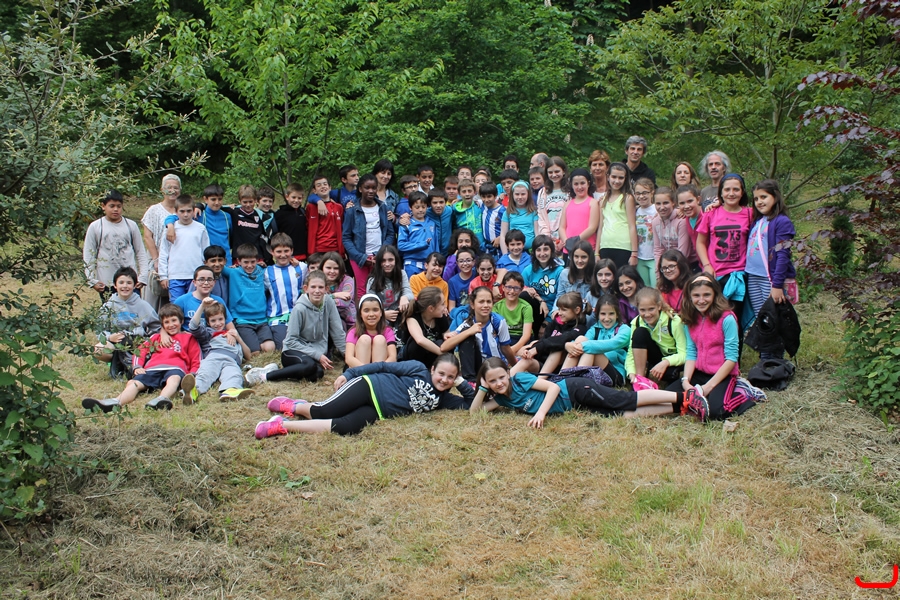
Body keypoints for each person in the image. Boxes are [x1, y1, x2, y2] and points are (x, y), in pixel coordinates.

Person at [255, 354, 474, 439]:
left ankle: (282, 425)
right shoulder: (418, 368)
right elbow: (382, 366)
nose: (444, 380)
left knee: (344, 428)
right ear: (432, 369)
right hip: (369, 386)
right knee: (325, 411)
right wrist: (350, 374)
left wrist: (462, 384)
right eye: (441, 373)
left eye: (450, 377)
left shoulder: (444, 399)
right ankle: (294, 406)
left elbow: (470, 405)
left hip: (377, 411)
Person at [470, 357, 701, 429]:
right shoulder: (502, 399)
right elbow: (475, 412)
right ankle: (678, 408)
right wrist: (482, 388)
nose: (499, 383)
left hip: (575, 390)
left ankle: (684, 397)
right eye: (492, 381)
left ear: (508, 373)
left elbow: (552, 387)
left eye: (501, 377)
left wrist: (541, 413)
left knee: (623, 399)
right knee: (618, 415)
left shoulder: (520, 379)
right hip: (575, 405)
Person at [666, 274, 757, 422]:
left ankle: (743, 393)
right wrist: (685, 381)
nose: (701, 300)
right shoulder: (690, 319)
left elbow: (731, 358)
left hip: (723, 374)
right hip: (700, 372)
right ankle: (704, 397)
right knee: (669, 396)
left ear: (715, 295)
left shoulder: (727, 318)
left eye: (707, 295)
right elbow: (692, 352)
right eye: (696, 295)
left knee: (716, 412)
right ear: (689, 296)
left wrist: (707, 387)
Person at [82, 303, 201, 412]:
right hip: (152, 368)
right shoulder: (156, 337)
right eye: (166, 322)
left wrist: (191, 375)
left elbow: (196, 359)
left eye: (174, 320)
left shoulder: (189, 338)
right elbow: (140, 351)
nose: (171, 325)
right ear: (162, 325)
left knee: (173, 379)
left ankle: (162, 399)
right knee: (134, 383)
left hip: (175, 368)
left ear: (181, 321)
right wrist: (137, 366)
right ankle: (116, 402)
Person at [246, 270, 346, 385]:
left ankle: (283, 372)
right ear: (306, 288)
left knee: (318, 373)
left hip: (312, 354)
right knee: (309, 366)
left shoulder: (329, 302)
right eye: (313, 287)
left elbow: (338, 332)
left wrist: (348, 356)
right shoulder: (299, 309)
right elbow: (291, 341)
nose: (317, 291)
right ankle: (265, 376)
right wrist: (318, 355)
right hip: (293, 351)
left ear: (326, 289)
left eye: (321, 287)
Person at [696, 173, 752, 341]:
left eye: (736, 189)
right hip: (716, 275)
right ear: (720, 192)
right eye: (727, 190)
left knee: (734, 321)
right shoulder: (711, 214)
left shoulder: (750, 214)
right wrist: (707, 265)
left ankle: (733, 356)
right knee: (713, 318)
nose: (731, 193)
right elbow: (700, 242)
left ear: (742, 192)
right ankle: (713, 354)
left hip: (738, 276)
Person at [182, 297, 254, 403]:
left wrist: (238, 338)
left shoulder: (232, 334)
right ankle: (192, 391)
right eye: (213, 320)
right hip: (214, 357)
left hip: (231, 361)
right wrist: (202, 306)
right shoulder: (208, 332)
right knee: (206, 374)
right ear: (208, 322)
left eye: (220, 319)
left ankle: (230, 391)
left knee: (234, 374)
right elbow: (193, 326)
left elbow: (248, 356)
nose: (218, 323)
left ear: (225, 319)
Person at [83, 189, 149, 302]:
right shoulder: (96, 227)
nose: (115, 209)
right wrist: (92, 280)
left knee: (134, 310)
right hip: (107, 282)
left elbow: (140, 251)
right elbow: (89, 254)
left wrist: (143, 276)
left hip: (130, 281)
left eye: (119, 206)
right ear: (103, 206)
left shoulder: (131, 225)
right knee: (111, 311)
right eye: (112, 206)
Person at [93, 267, 160, 376]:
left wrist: (149, 339)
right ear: (115, 285)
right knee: (99, 349)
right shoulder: (108, 306)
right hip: (116, 342)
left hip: (138, 343)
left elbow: (156, 326)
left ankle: (136, 363)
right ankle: (118, 363)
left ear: (135, 285)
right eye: (121, 282)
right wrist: (109, 337)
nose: (125, 286)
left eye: (129, 283)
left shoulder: (143, 305)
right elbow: (99, 329)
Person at [746, 179, 797, 320]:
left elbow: (783, 255)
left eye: (764, 197)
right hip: (753, 276)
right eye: (756, 199)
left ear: (775, 196)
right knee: (761, 318)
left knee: (774, 318)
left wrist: (777, 285)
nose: (759, 202)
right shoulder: (757, 221)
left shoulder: (782, 221)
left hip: (770, 279)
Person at [446, 286, 515, 381]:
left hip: (495, 364)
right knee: (465, 335)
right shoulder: (468, 323)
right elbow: (444, 347)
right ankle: (470, 380)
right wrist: (468, 332)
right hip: (478, 366)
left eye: (489, 302)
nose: (486, 305)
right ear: (472, 304)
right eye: (481, 302)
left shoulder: (498, 321)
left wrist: (515, 366)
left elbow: (506, 348)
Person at [343, 173, 395, 300]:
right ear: (360, 189)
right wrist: (360, 257)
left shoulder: (383, 208)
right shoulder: (352, 210)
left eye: (373, 188)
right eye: (367, 187)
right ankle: (362, 313)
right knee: (362, 289)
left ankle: (380, 312)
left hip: (379, 256)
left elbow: (390, 233)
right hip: (359, 257)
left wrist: (381, 253)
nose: (371, 191)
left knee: (380, 287)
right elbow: (346, 237)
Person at [626, 287, 687, 389]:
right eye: (642, 310)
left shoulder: (673, 321)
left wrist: (666, 362)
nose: (647, 314)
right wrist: (631, 372)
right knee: (639, 333)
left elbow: (684, 354)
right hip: (656, 357)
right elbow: (631, 351)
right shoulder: (636, 322)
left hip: (673, 360)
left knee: (671, 375)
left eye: (651, 309)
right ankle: (640, 381)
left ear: (659, 306)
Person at [563, 294, 631, 387]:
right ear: (597, 314)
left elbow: (612, 344)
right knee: (581, 339)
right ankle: (563, 381)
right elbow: (582, 343)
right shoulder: (595, 328)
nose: (607, 318)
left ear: (617, 314)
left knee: (591, 350)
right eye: (603, 314)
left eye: (611, 313)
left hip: (615, 374)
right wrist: (568, 345)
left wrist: (583, 346)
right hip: (594, 371)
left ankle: (578, 386)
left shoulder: (624, 329)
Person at [220, 243, 275, 355]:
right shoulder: (233, 272)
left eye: (252, 262)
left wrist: (295, 263)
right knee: (255, 352)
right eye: (246, 262)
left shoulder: (262, 271)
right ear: (238, 261)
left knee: (270, 348)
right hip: (242, 320)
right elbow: (218, 266)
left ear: (257, 260)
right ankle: (254, 344)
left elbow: (277, 267)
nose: (249, 265)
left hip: (261, 319)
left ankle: (258, 342)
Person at [515, 291, 586, 375]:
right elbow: (544, 339)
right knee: (524, 358)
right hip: (541, 361)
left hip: (557, 368)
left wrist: (536, 348)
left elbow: (562, 339)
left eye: (564, 310)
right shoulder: (555, 322)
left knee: (557, 348)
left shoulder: (580, 328)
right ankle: (508, 380)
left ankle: (540, 380)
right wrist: (530, 350)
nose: (559, 313)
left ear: (577, 310)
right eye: (559, 309)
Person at [158, 195, 210, 302]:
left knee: (194, 303)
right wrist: (163, 276)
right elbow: (164, 252)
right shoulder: (170, 229)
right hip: (175, 275)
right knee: (176, 306)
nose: (185, 214)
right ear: (176, 211)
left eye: (188, 211)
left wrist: (205, 272)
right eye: (182, 211)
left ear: (193, 210)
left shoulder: (200, 228)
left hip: (195, 275)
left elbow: (206, 252)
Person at [141, 174, 180, 310]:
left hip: (176, 260)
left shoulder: (183, 210)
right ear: (162, 190)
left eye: (176, 188)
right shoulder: (154, 210)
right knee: (154, 295)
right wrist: (156, 259)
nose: (172, 190)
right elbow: (148, 236)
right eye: (169, 187)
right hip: (157, 257)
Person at [263, 233, 305, 350]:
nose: (283, 255)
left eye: (286, 251)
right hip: (278, 318)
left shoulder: (302, 267)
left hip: (299, 316)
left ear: (292, 250)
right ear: (272, 252)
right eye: (279, 251)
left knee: (304, 344)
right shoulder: (267, 272)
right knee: (284, 347)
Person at [596, 162, 638, 268]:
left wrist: (634, 253)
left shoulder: (627, 198)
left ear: (625, 179)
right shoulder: (602, 200)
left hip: (623, 246)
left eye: (621, 178)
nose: (617, 181)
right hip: (605, 245)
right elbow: (600, 227)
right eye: (614, 177)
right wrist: (596, 252)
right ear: (608, 177)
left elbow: (632, 226)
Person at [365, 245, 413, 336]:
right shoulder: (373, 280)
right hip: (380, 315)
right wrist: (382, 314)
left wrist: (405, 297)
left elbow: (408, 292)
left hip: (399, 313)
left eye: (390, 260)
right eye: (383, 260)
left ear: (396, 260)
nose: (387, 264)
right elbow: (369, 303)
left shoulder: (402, 274)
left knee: (412, 305)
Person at [173, 265, 235, 332]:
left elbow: (230, 327)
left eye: (209, 279)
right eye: (201, 279)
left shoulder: (218, 300)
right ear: (194, 283)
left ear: (214, 282)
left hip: (214, 337)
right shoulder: (182, 301)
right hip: (191, 336)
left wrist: (232, 334)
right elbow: (167, 320)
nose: (206, 283)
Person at [401, 286, 451, 369]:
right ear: (431, 308)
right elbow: (420, 340)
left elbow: (447, 336)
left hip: (431, 358)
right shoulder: (413, 317)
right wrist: (442, 354)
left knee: (442, 343)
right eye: (442, 304)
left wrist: (448, 337)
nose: (445, 307)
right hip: (413, 358)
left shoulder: (441, 317)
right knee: (416, 344)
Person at [344, 294, 398, 368]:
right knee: (364, 339)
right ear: (360, 314)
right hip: (359, 370)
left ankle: (377, 375)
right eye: (366, 311)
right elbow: (349, 358)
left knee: (380, 339)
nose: (371, 314)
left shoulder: (388, 331)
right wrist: (367, 370)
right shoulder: (354, 332)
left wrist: (376, 369)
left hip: (380, 370)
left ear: (381, 313)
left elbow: (393, 357)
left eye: (375, 310)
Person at [521, 235, 564, 324]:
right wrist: (541, 300)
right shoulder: (528, 270)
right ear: (534, 252)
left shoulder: (560, 271)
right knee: (524, 295)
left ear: (551, 250)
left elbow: (560, 296)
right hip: (534, 310)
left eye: (546, 249)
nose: (542, 253)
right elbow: (520, 289)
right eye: (538, 250)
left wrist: (548, 321)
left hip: (553, 311)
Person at [558, 168, 601, 250]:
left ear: (588, 183)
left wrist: (575, 241)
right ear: (571, 185)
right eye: (576, 184)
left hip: (586, 248)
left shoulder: (593, 203)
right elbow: (562, 227)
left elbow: (592, 228)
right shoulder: (567, 204)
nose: (579, 187)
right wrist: (566, 242)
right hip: (568, 248)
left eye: (582, 183)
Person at [652, 186, 692, 271]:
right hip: (667, 265)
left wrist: (672, 269)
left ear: (673, 202)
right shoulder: (655, 222)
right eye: (658, 203)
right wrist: (658, 270)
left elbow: (683, 252)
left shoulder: (681, 221)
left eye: (666, 203)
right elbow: (658, 249)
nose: (662, 207)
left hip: (685, 264)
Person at [398, 191, 438, 277]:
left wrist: (437, 260)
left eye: (423, 207)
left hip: (429, 265)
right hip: (412, 265)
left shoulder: (432, 223)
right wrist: (421, 245)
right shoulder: (406, 223)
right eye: (417, 207)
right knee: (412, 285)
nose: (420, 210)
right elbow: (401, 245)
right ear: (410, 207)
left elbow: (436, 245)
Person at [552, 240, 596, 316]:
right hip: (568, 313)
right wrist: (555, 310)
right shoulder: (565, 273)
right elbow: (560, 295)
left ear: (590, 258)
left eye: (583, 257)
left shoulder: (595, 275)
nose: (579, 260)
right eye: (576, 257)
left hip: (588, 314)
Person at [493, 271, 533, 354]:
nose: (512, 291)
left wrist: (511, 351)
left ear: (521, 289)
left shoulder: (526, 307)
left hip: (521, 338)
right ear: (503, 287)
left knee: (526, 352)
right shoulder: (497, 307)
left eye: (516, 288)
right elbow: (495, 332)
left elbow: (526, 335)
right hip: (504, 338)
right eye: (508, 287)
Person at [306, 175, 344, 257]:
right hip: (318, 249)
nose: (322, 186)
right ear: (314, 191)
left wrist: (342, 250)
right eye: (319, 185)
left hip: (335, 248)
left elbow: (342, 228)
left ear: (330, 188)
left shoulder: (338, 207)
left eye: (325, 184)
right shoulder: (311, 207)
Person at [536, 157, 569, 250]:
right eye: (550, 172)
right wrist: (547, 239)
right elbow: (541, 216)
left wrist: (563, 240)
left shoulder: (570, 191)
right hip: (548, 241)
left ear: (563, 171)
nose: (554, 175)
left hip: (566, 239)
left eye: (557, 171)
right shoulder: (542, 192)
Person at [197, 184, 233, 265]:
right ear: (205, 199)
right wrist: (170, 224)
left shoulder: (227, 216)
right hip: (207, 260)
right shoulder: (199, 215)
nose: (217, 203)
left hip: (225, 260)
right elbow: (177, 215)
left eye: (220, 199)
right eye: (213, 199)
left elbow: (231, 237)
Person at [230, 184, 268, 261]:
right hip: (239, 256)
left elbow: (264, 236)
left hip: (256, 256)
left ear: (255, 200)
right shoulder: (234, 212)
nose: (248, 205)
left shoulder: (260, 215)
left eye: (251, 201)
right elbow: (215, 206)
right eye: (245, 202)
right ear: (239, 201)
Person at [321, 252, 356, 331]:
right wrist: (335, 295)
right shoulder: (318, 281)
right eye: (328, 268)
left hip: (349, 323)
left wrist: (324, 300)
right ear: (322, 267)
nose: (332, 271)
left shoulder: (348, 280)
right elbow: (314, 301)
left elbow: (344, 302)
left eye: (336, 268)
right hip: (324, 320)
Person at [633, 177, 658, 287]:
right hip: (640, 257)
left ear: (652, 193)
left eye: (645, 193)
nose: (641, 196)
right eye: (638, 193)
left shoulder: (657, 209)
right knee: (644, 288)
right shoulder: (635, 211)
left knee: (656, 288)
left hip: (654, 257)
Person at [274, 183, 308, 262]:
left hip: (302, 254)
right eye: (293, 197)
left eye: (299, 198)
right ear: (287, 197)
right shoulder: (279, 214)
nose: (296, 200)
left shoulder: (303, 213)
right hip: (285, 254)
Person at [500, 181, 538, 251]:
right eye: (517, 194)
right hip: (513, 250)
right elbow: (503, 236)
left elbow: (537, 234)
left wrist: (536, 251)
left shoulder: (533, 212)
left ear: (528, 195)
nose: (520, 197)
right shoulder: (507, 213)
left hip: (530, 250)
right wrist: (505, 255)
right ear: (512, 195)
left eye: (523, 194)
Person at [676, 183, 704, 270]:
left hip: (712, 264)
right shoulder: (687, 218)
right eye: (682, 203)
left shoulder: (706, 215)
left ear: (698, 199)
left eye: (690, 201)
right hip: (701, 263)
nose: (686, 206)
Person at [451, 181, 483, 252]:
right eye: (464, 192)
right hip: (464, 247)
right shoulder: (454, 209)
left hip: (480, 246)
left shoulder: (480, 206)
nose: (467, 194)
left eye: (469, 191)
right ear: (459, 193)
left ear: (474, 192)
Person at [657, 249, 692, 313]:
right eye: (664, 268)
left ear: (681, 265)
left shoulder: (691, 286)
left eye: (671, 266)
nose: (668, 270)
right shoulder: (663, 288)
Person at [480, 184, 505, 258]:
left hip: (498, 246)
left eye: (489, 196)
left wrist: (500, 237)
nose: (486, 200)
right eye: (483, 197)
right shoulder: (482, 206)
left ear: (495, 196)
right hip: (486, 246)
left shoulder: (502, 210)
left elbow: (509, 227)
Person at [425, 188, 452, 255]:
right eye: (435, 203)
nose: (438, 205)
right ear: (430, 203)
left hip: (448, 252)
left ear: (445, 202)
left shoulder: (450, 211)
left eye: (441, 202)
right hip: (431, 252)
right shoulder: (426, 213)